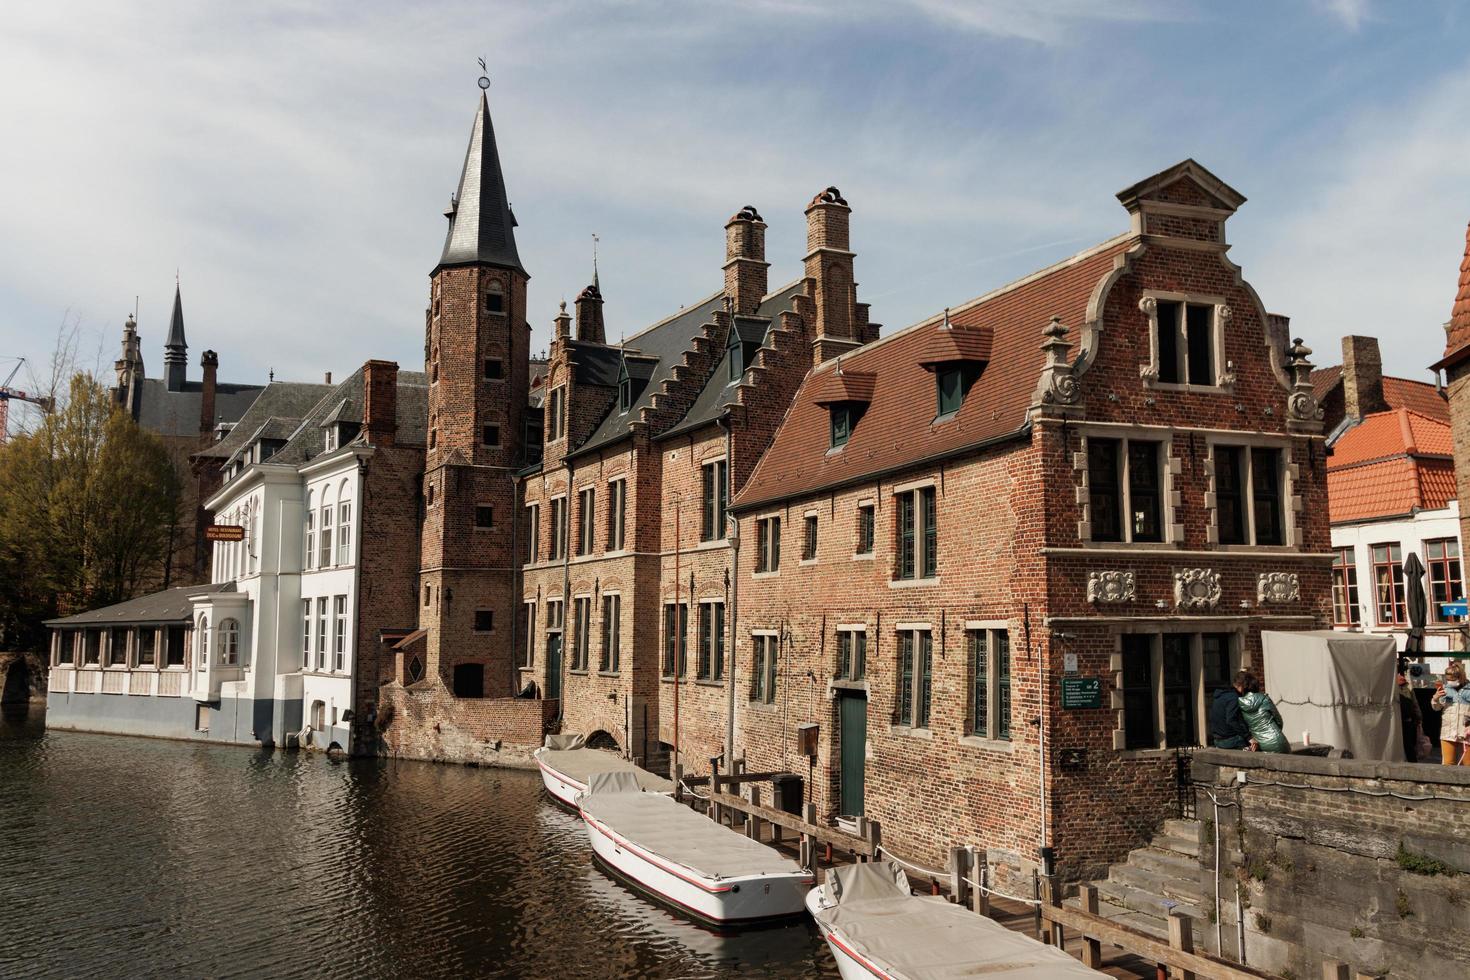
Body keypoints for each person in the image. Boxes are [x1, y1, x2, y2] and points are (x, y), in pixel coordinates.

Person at [1431, 660, 1470, 766]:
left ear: (1460, 677)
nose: (1449, 682)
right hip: (1448, 732)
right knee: (1448, 764)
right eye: (1447, 679)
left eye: (1452, 679)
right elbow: (1436, 708)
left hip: (1466, 733)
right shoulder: (1445, 689)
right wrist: (1436, 698)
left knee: (1467, 765)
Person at [1237, 674, 1289, 754]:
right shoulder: (1264, 698)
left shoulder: (1239, 702)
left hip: (1259, 744)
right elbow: (1279, 721)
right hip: (1277, 741)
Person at [1210, 670, 1254, 750]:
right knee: (1256, 746)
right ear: (1243, 685)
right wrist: (1248, 737)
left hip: (1217, 740)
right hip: (1228, 740)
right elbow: (1231, 720)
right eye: (1247, 688)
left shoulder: (1222, 694)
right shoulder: (1233, 698)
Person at [1397, 658, 1424, 763]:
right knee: (1408, 745)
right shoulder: (1406, 684)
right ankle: (1413, 763)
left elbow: (1413, 702)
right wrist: (1419, 717)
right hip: (1407, 719)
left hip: (1402, 719)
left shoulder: (1391, 684)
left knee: (1406, 745)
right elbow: (1414, 702)